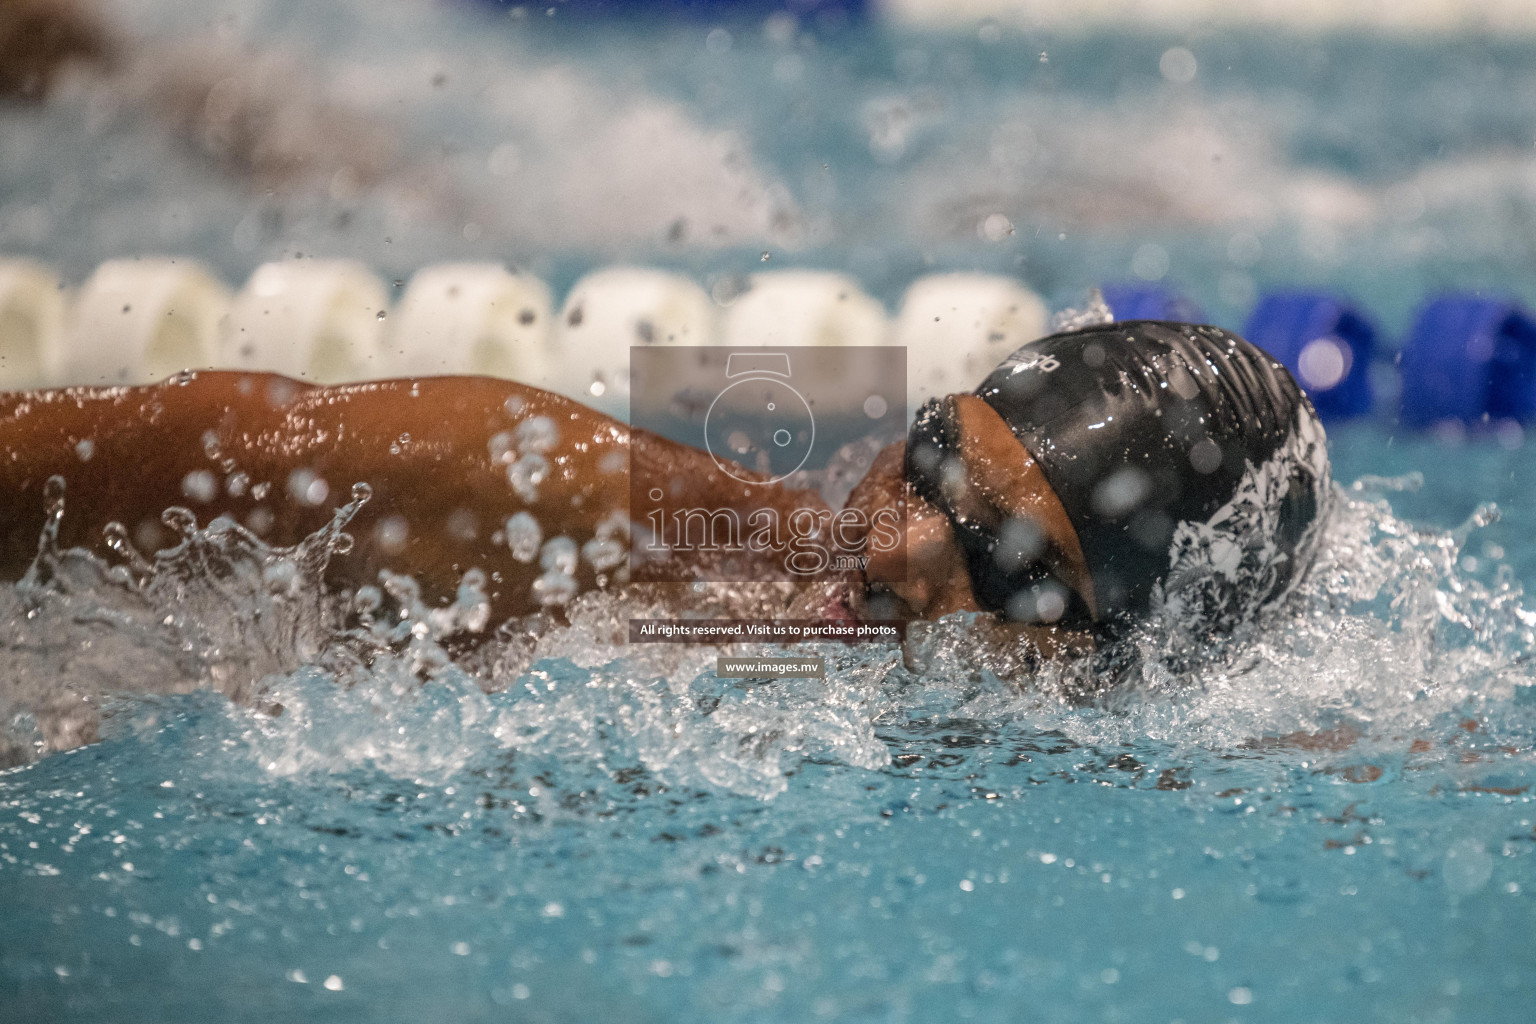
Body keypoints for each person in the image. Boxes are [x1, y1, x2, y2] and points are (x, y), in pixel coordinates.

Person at [0, 320, 1330, 654]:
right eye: (932, 463)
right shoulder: (545, 496)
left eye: (1014, 571)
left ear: (1109, 660)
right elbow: (185, 446)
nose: (900, 552)